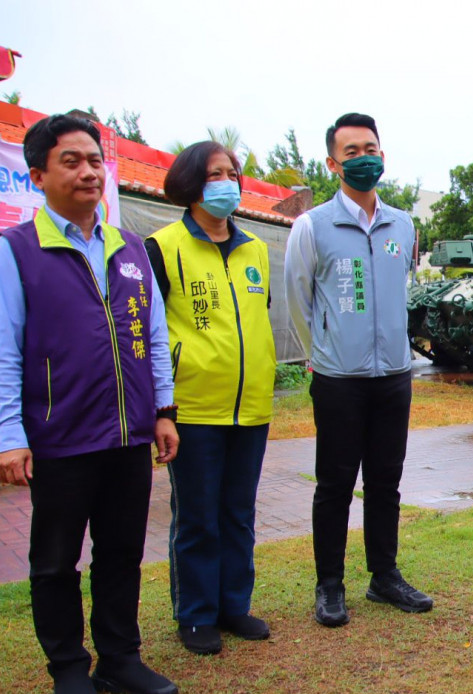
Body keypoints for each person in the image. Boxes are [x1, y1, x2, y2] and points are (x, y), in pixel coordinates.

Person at [0, 114, 180, 694]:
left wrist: (163, 411)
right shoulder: (15, 252)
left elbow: (153, 330)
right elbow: (1, 349)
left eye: (95, 159)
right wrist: (10, 437)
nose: (89, 171)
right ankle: (68, 667)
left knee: (120, 552)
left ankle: (119, 657)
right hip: (60, 439)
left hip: (127, 436)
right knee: (55, 560)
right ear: (38, 174)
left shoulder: (127, 248)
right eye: (72, 161)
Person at [285, 113, 432, 626]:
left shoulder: (403, 224)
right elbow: (298, 299)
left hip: (394, 375)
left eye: (371, 147)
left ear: (383, 155)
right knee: (335, 483)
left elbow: (402, 291)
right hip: (338, 379)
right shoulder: (312, 226)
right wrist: (320, 353)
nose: (363, 158)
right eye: (351, 151)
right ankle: (330, 585)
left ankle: (384, 576)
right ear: (333, 163)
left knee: (386, 481)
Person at [145, 141, 276, 655]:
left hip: (252, 405)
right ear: (191, 182)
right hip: (194, 407)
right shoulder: (162, 246)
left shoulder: (255, 249)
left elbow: (257, 319)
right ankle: (196, 614)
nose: (227, 182)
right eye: (215, 173)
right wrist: (163, 408)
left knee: (238, 511)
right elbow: (153, 335)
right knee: (197, 513)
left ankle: (233, 606)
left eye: (233, 173)